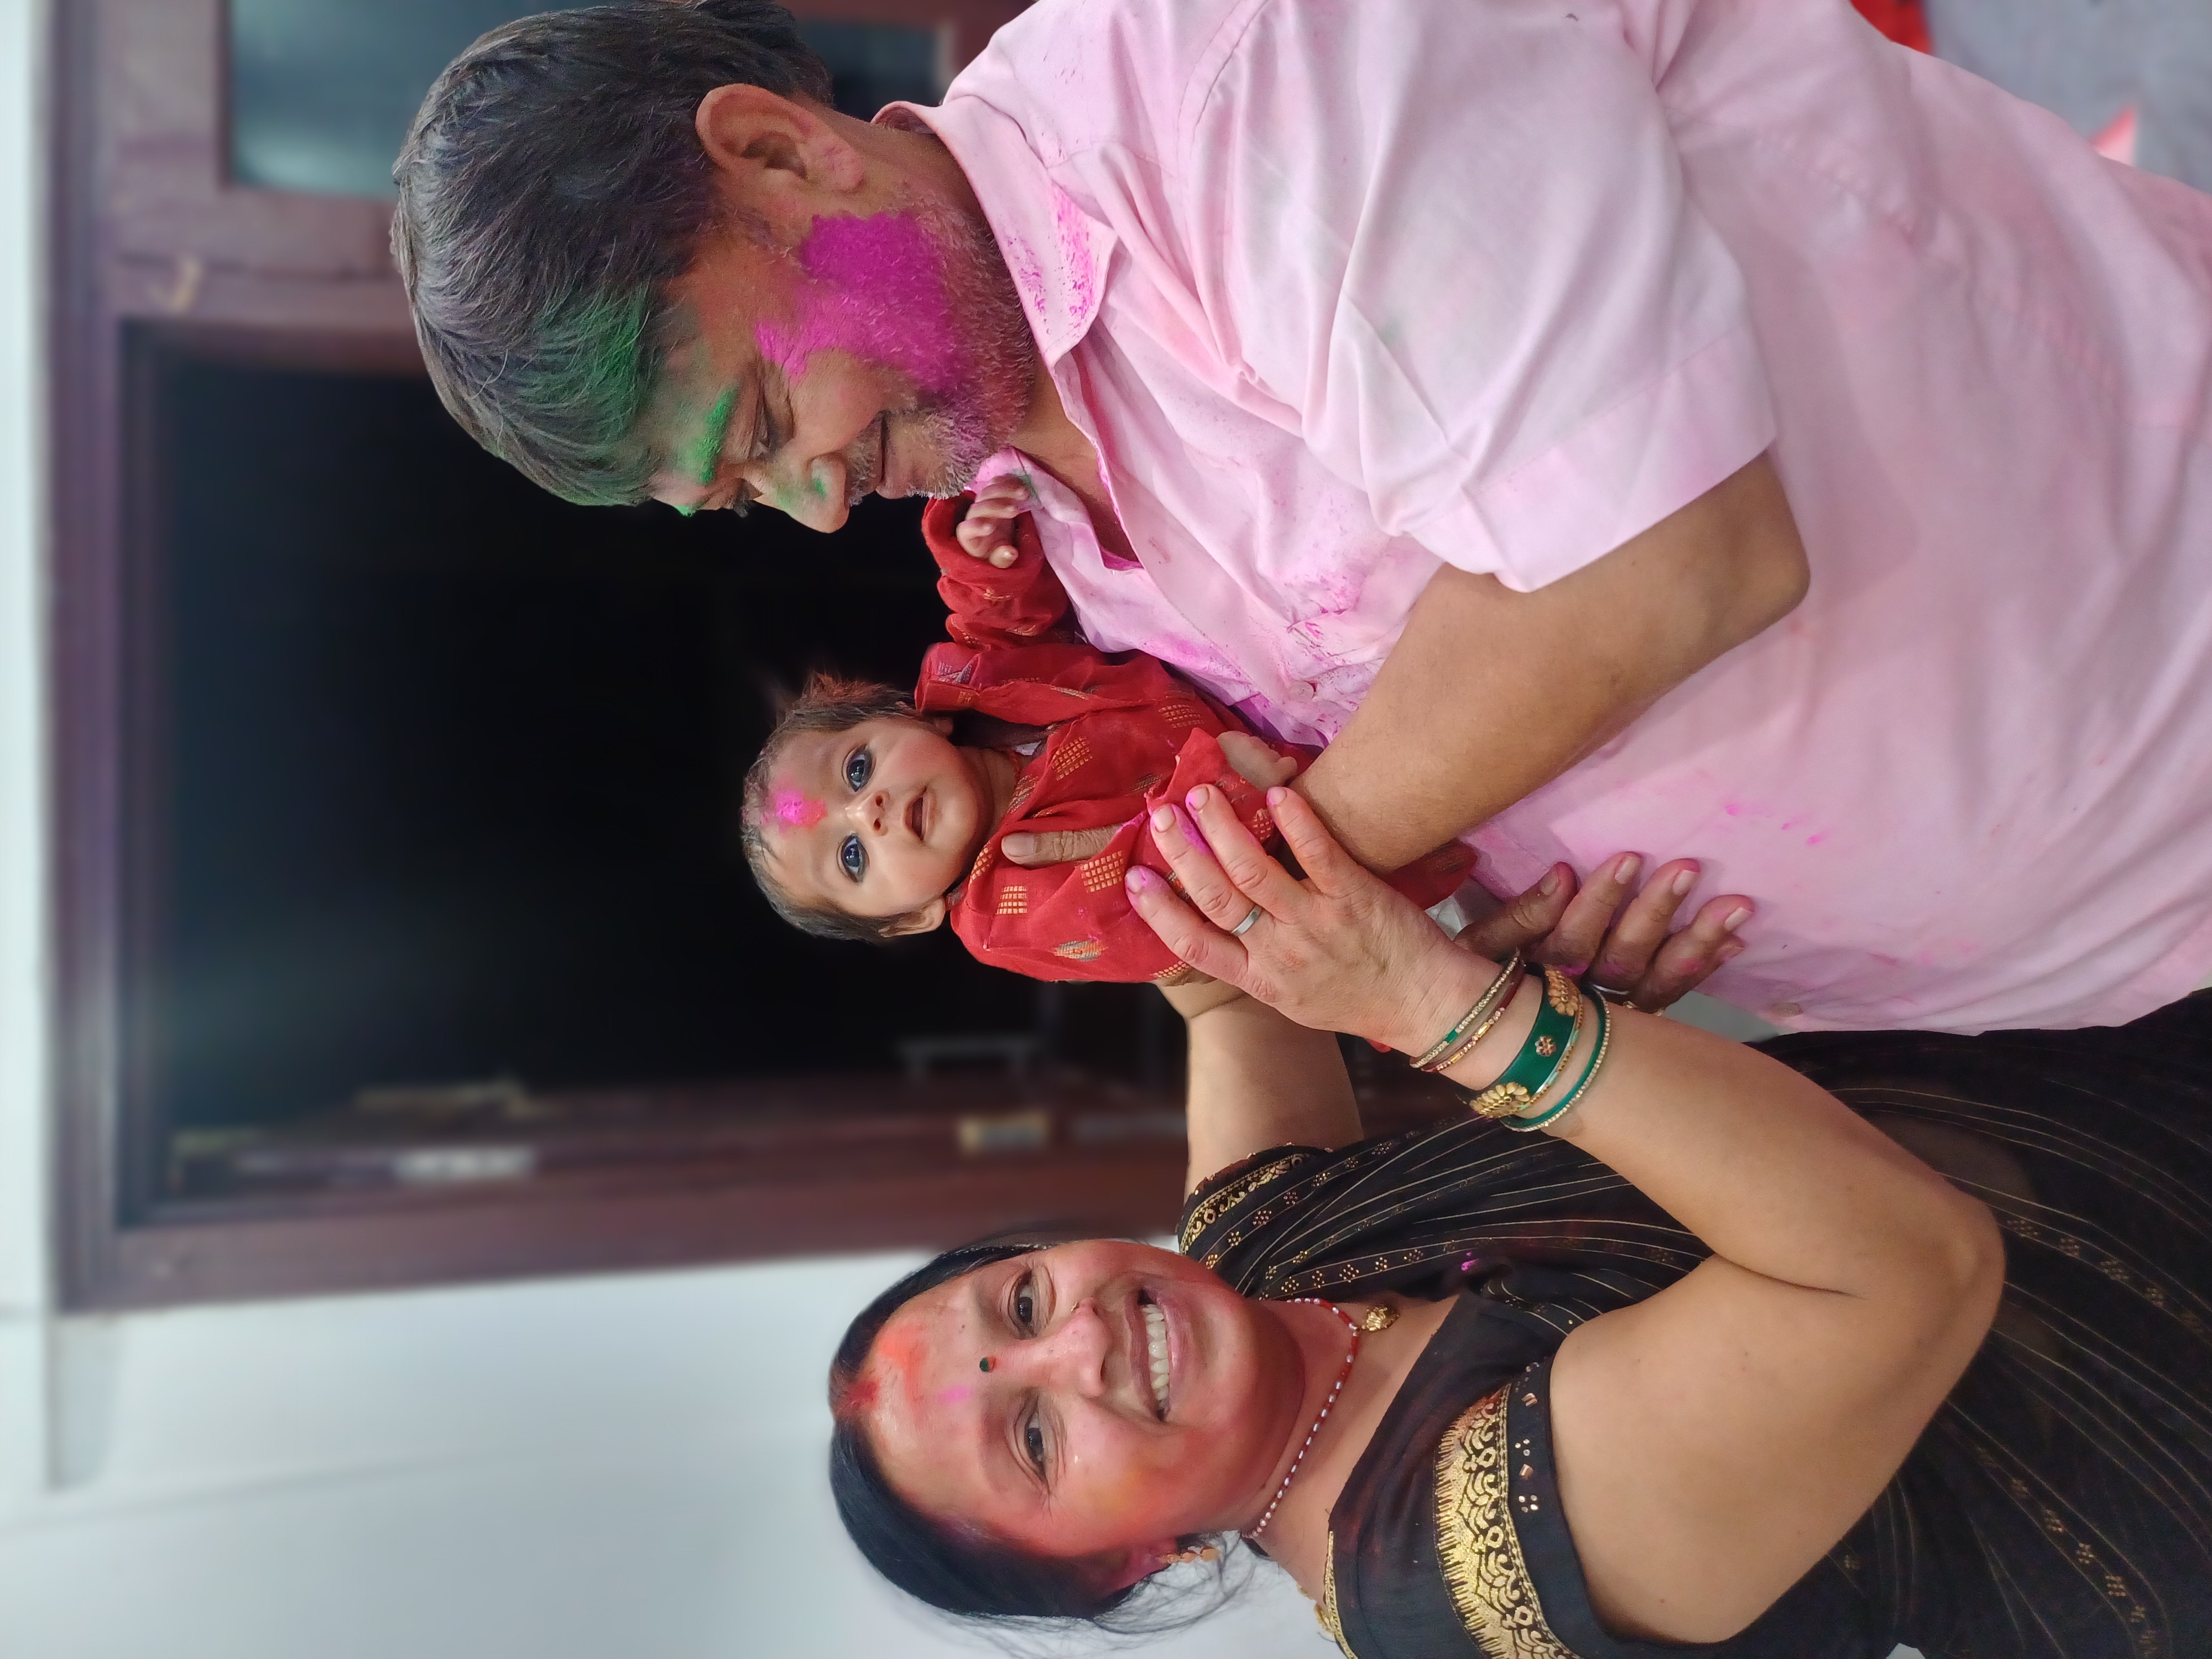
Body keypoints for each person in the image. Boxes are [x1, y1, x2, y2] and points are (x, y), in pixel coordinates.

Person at [392, 0, 2212, 1034]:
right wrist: (1471, 912)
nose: (809, 502)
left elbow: (1676, 556)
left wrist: (1302, 917)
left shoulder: (1243, 81)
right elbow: (1462, 698)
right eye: (744, 495)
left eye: (773, 414)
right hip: (2115, 944)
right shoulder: (1040, 519)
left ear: (787, 156)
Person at [825, 784, 2212, 1657]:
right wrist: (1471, 1018)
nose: (1082, 1348)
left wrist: (1010, 808)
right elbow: (1903, 1271)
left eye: (1017, 1302)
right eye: (1033, 1439)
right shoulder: (1460, 1569)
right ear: (1128, 1570)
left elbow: (1213, 967)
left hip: (2125, 1082)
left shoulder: (1264, 1262)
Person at [740, 477, 1475, 981]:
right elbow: (1143, 910)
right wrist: (1218, 791)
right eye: (852, 858)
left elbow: (1005, 623)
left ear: (899, 715)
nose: (867, 812)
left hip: (1331, 729)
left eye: (858, 769)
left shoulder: (970, 690)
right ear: (909, 921)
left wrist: (986, 550)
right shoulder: (1008, 916)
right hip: (1364, 871)